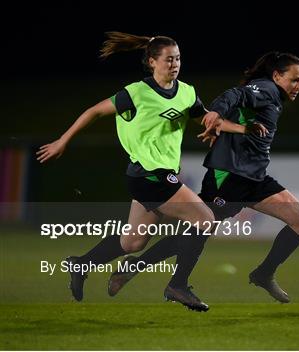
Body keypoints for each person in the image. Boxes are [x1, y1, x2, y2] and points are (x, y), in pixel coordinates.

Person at [36, 31, 255, 312]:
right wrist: (62, 141)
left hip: (154, 177)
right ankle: (178, 285)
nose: (174, 64)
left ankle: (82, 264)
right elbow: (94, 111)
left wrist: (242, 129)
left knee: (133, 241)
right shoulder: (136, 93)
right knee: (205, 220)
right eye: (168, 59)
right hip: (149, 175)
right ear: (152, 61)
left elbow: (208, 120)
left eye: (178, 59)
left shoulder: (187, 92)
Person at [107, 51, 299, 304]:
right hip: (228, 176)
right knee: (198, 230)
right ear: (277, 76)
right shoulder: (267, 88)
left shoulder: (275, 96)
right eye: (294, 80)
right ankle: (157, 276)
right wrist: (215, 112)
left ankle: (263, 274)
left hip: (255, 178)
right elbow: (234, 95)